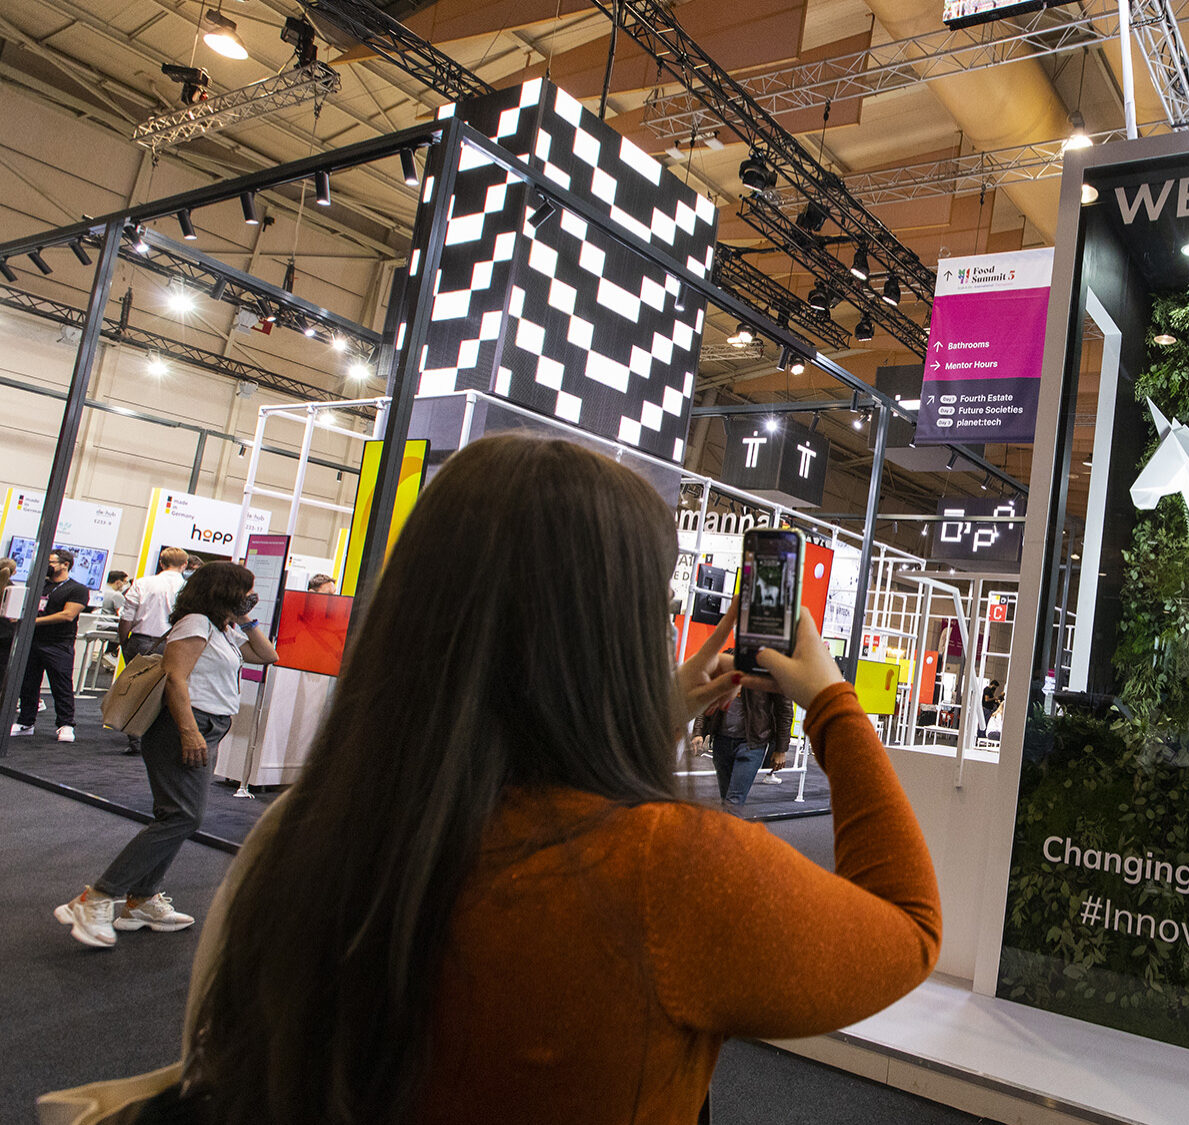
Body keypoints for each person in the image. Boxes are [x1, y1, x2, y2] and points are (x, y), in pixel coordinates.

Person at [173, 434, 939, 1124]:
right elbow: (908, 927)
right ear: (609, 629)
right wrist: (835, 705)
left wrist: (661, 704)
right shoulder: (660, 867)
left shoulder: (311, 829)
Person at [55, 562, 278, 947]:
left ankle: (141, 898)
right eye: (243, 590)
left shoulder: (221, 628)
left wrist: (244, 619)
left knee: (178, 815)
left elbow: (267, 655)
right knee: (182, 816)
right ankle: (98, 897)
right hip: (185, 727)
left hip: (208, 726)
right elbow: (176, 678)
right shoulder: (194, 623)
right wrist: (190, 731)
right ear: (223, 590)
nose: (248, 596)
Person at [119, 547, 191, 755]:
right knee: (171, 691)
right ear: (184, 565)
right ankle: (163, 740)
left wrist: (124, 642)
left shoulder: (143, 583)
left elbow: (127, 618)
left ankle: (136, 740)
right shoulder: (188, 588)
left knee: (136, 691)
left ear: (161, 563)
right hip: (176, 644)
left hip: (142, 641)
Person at [13, 549, 90, 743]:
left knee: (61, 685)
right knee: (28, 683)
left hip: (59, 643)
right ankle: (26, 722)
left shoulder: (77, 589)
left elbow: (68, 615)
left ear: (65, 564)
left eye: (52, 562)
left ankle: (65, 724)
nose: (49, 566)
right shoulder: (41, 586)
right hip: (34, 640)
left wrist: (33, 621)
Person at [694, 679, 792, 807]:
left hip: (752, 744)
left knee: (734, 799)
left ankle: (728, 825)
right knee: (726, 798)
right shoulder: (723, 664)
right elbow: (706, 700)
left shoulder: (770, 670)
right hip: (721, 741)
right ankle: (731, 825)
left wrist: (781, 749)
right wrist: (698, 731)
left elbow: (784, 711)